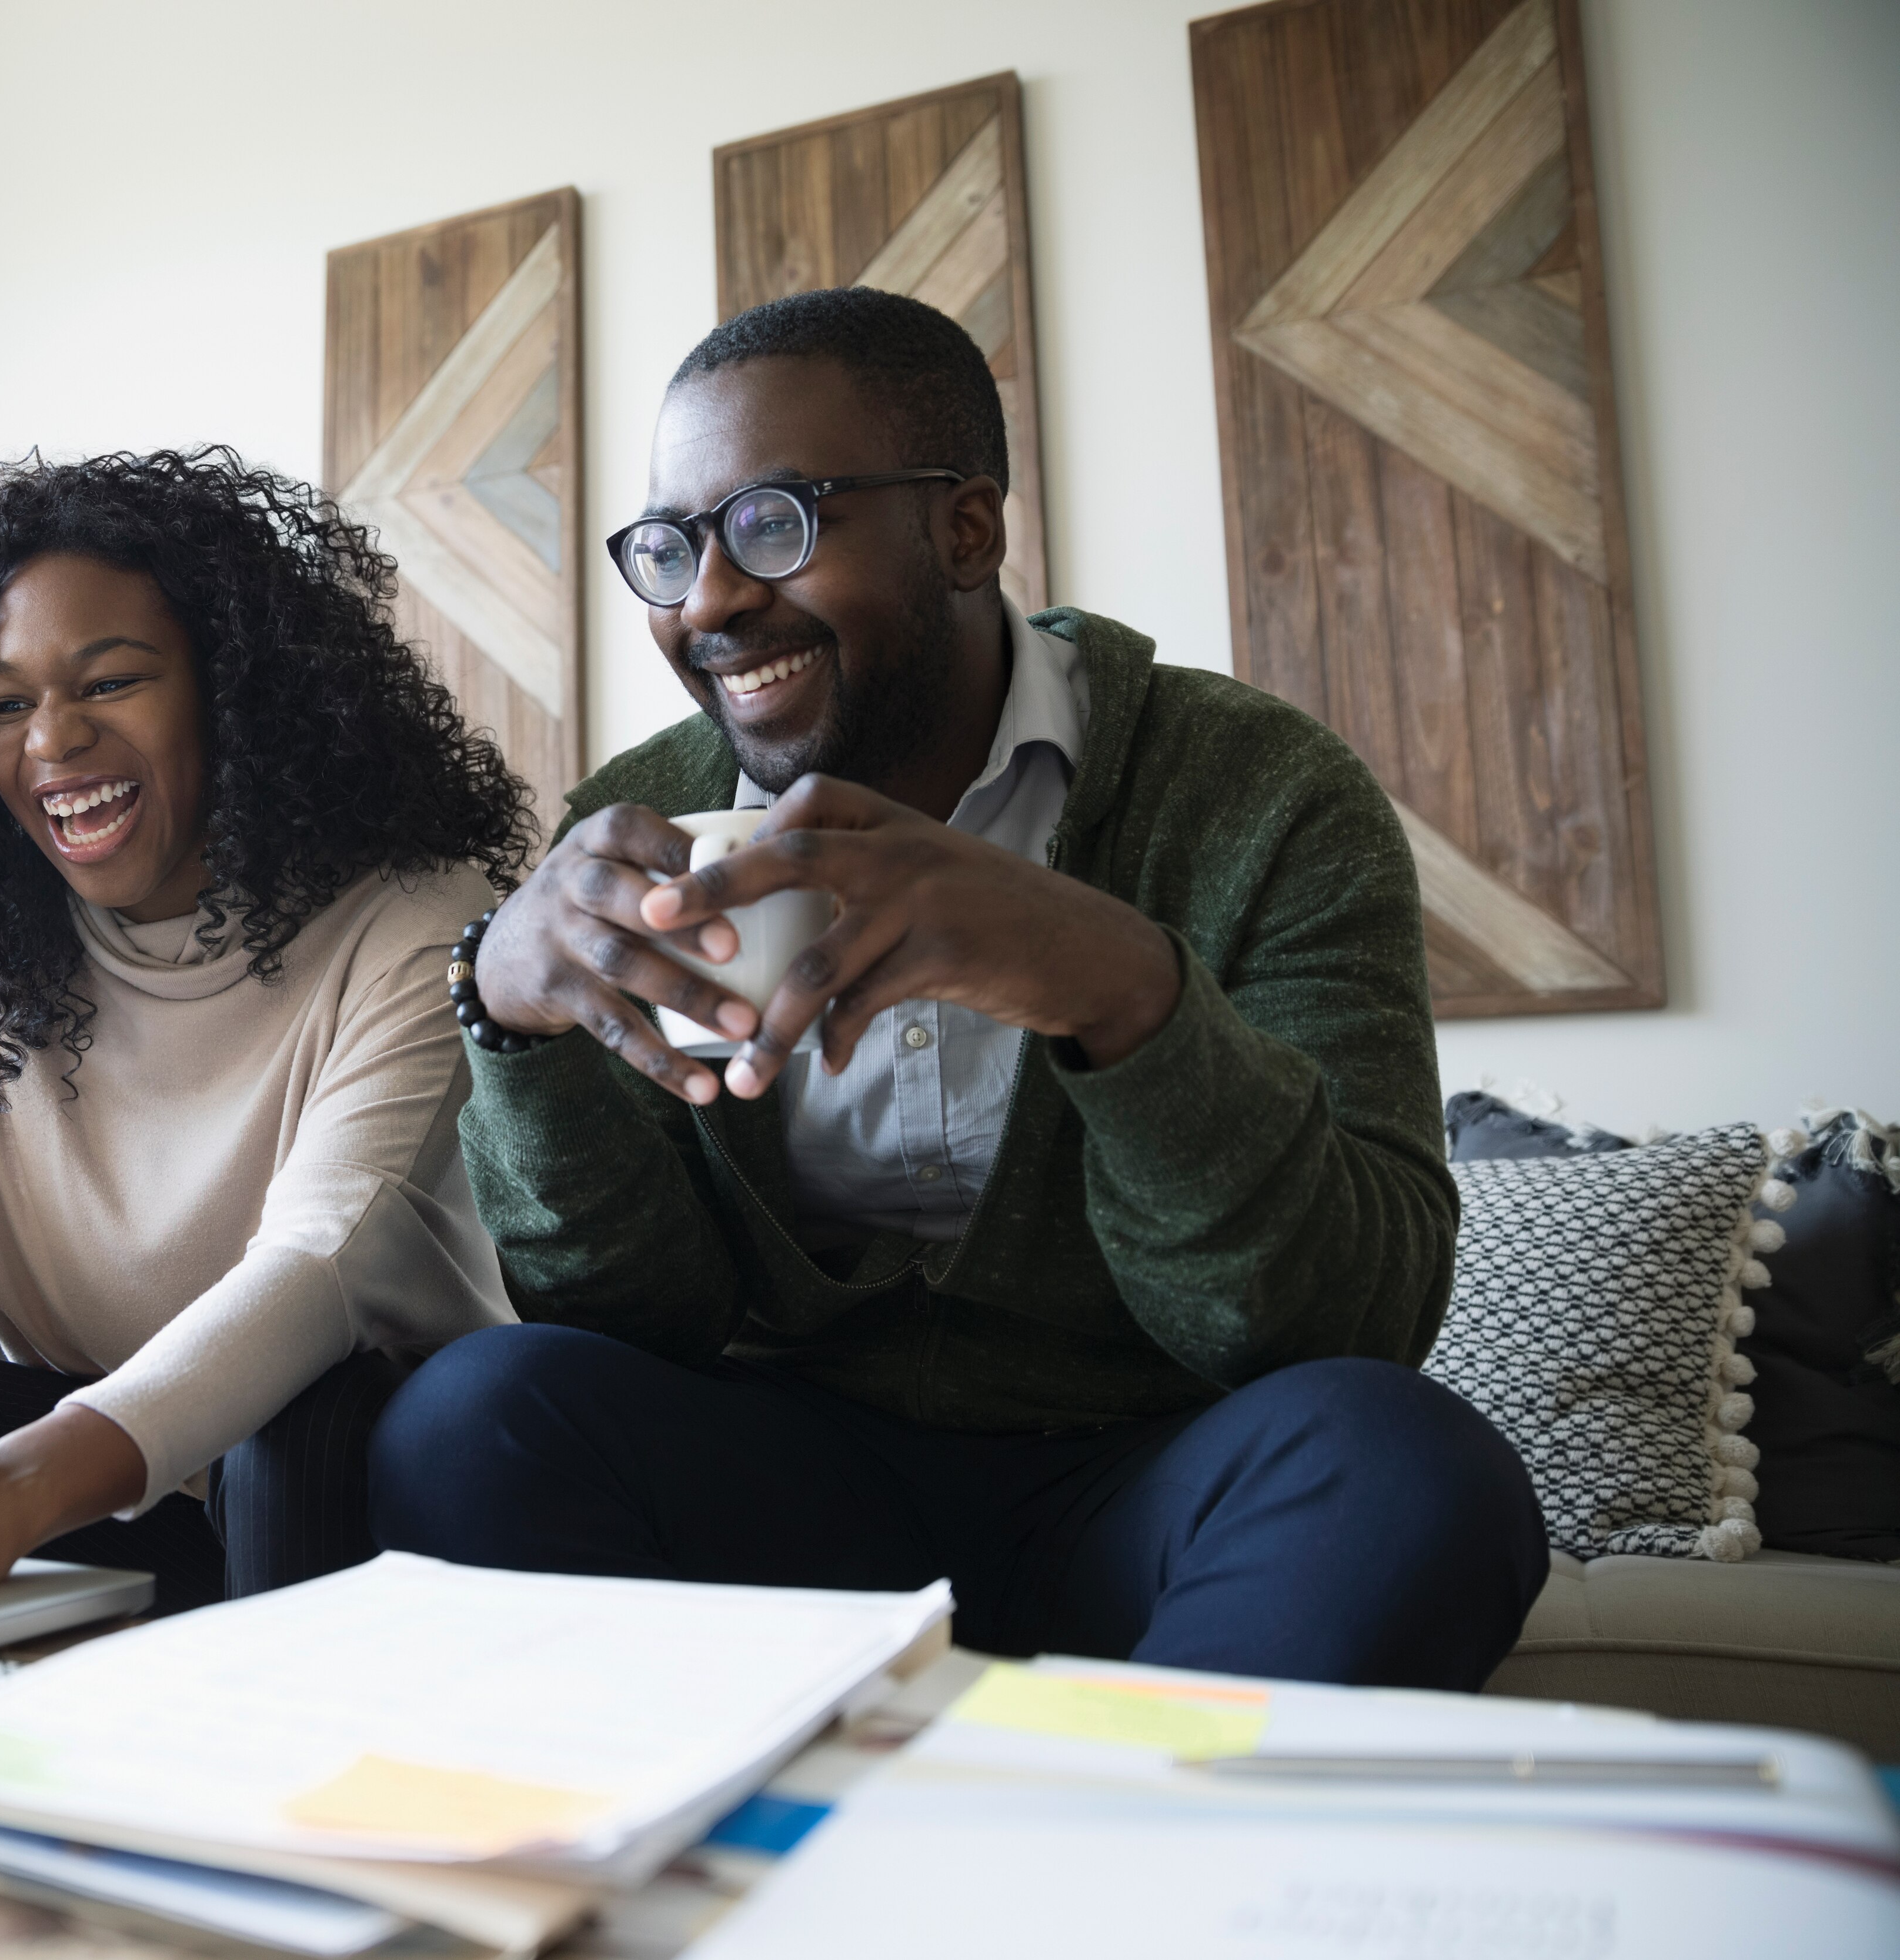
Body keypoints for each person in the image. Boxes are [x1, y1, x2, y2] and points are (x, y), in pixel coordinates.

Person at [369, 288, 1548, 1691]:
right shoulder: (638, 825)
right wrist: (510, 1016)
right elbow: (633, 1323)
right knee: (471, 1414)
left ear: (966, 528)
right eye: (674, 547)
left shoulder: (1256, 792)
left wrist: (1122, 989)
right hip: (794, 1496)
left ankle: (1119, 1881)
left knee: (1407, 1463)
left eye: (774, 524)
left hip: (1150, 1485)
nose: (712, 601)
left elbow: (1349, 1321)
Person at [0, 448, 533, 1618]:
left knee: (297, 1423)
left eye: (110, 682)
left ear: (236, 690)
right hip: (127, 1481)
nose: (52, 740)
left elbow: (321, 1262)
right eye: (6, 704)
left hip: (349, 1488)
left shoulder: (419, 922)